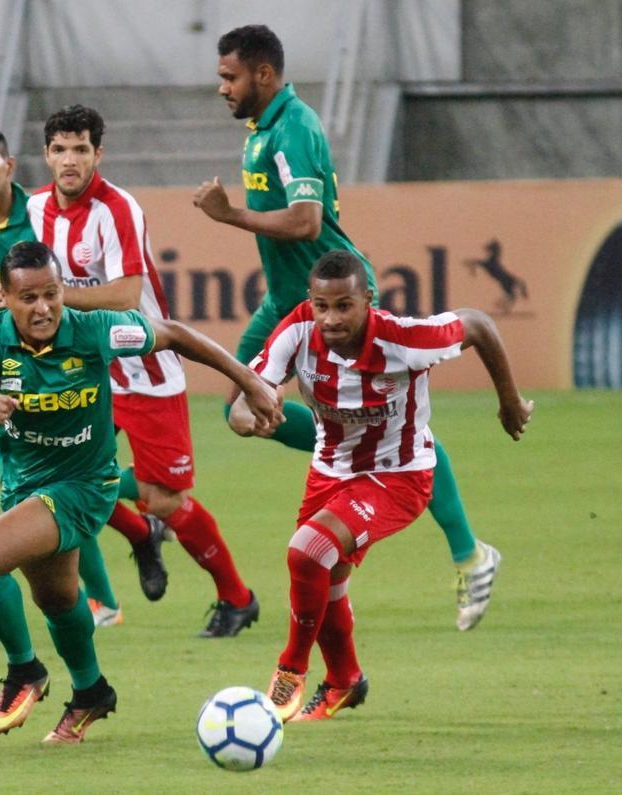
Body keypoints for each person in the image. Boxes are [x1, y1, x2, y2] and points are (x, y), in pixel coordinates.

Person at [196, 24, 501, 631]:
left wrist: (231, 216)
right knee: (243, 411)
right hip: (284, 301)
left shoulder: (295, 126)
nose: (222, 88)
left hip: (335, 298)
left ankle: (469, 551)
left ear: (263, 74)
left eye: (229, 77)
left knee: (393, 428)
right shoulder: (263, 131)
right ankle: (355, 457)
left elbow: (309, 223)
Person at [0, 241, 279, 743]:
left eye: (52, 294)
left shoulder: (94, 329)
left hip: (85, 486)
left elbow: (173, 335)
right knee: (58, 600)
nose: (43, 308)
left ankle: (24, 672)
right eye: (28, 298)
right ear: (4, 297)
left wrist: (250, 382)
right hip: (25, 488)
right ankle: (91, 693)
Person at [229, 250, 533, 721]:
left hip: (399, 475)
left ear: (367, 300)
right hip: (329, 471)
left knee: (307, 552)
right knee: (325, 578)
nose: (330, 318)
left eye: (344, 306)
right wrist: (251, 415)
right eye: (321, 306)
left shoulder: (405, 339)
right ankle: (345, 681)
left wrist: (509, 402)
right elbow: (244, 401)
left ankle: (290, 670)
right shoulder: (297, 330)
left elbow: (478, 325)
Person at [28, 104, 261, 637]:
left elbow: (126, 294)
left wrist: (57, 298)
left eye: (81, 149)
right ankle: (140, 536)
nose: (70, 160)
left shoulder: (118, 209)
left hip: (144, 365)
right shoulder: (37, 207)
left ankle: (237, 597)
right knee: (62, 477)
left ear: (97, 154)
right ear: (46, 155)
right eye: (60, 149)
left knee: (166, 498)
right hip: (84, 369)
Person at [0, 124, 127, 629]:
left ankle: (106, 593)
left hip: (63, 360)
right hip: (10, 356)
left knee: (65, 475)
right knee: (49, 481)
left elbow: (66, 286)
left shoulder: (38, 215)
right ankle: (110, 584)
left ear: (9, 165)